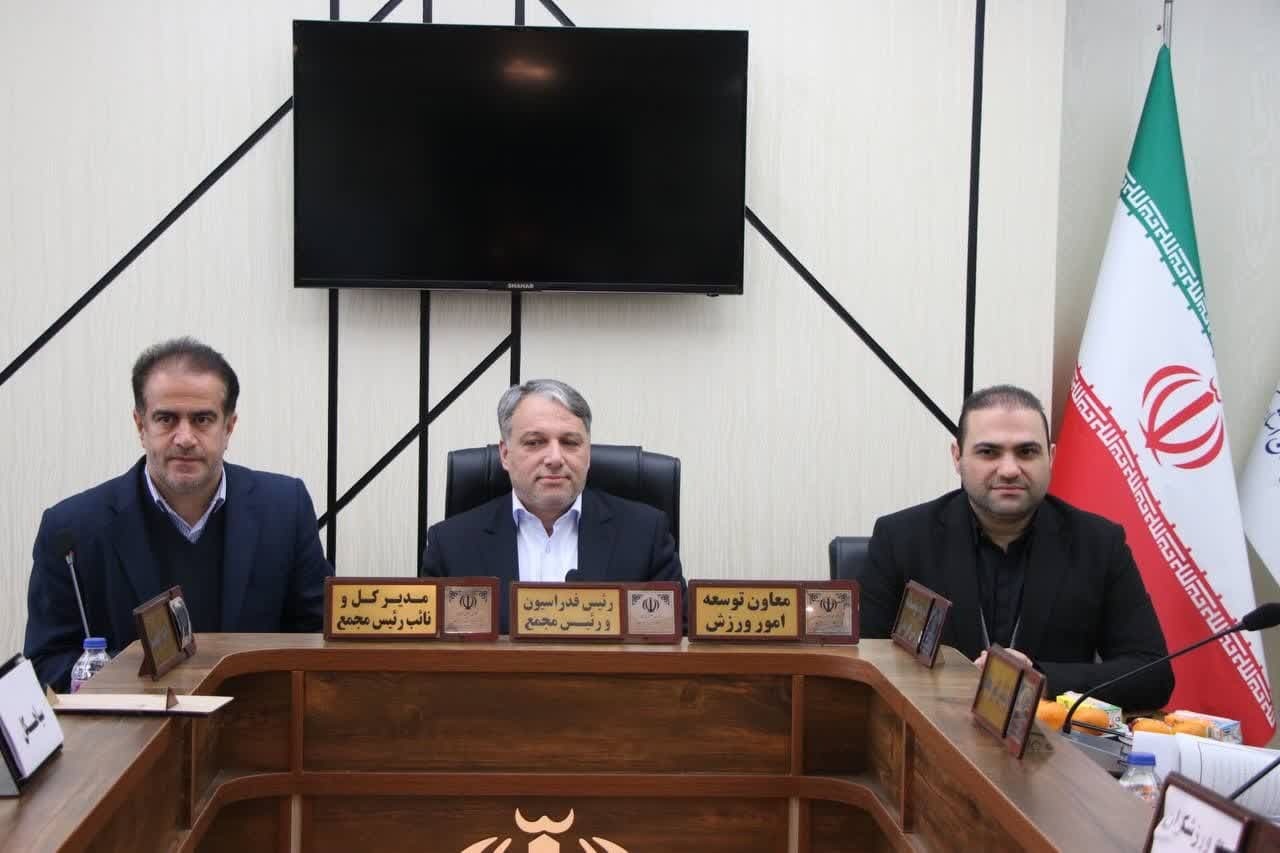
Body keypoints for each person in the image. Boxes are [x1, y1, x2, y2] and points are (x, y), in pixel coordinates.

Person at [24, 338, 333, 690]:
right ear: (140, 426)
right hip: (132, 722)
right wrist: (120, 679)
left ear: (229, 427)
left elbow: (318, 639)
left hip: (255, 718)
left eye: (202, 419)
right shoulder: (72, 529)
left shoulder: (285, 509)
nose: (184, 438)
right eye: (166, 419)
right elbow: (46, 661)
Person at [858, 385, 1174, 710]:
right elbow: (864, 666)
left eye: (1027, 452)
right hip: (929, 729)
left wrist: (1042, 679)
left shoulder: (1099, 544)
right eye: (988, 452)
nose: (1009, 470)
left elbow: (1153, 675)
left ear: (1051, 457)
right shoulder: (900, 538)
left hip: (1047, 737)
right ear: (957, 457)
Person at [421, 379, 684, 632]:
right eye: (534, 442)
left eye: (570, 442)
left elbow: (677, 640)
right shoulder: (451, 545)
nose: (555, 458)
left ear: (588, 454)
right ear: (505, 454)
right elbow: (428, 651)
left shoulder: (645, 535)